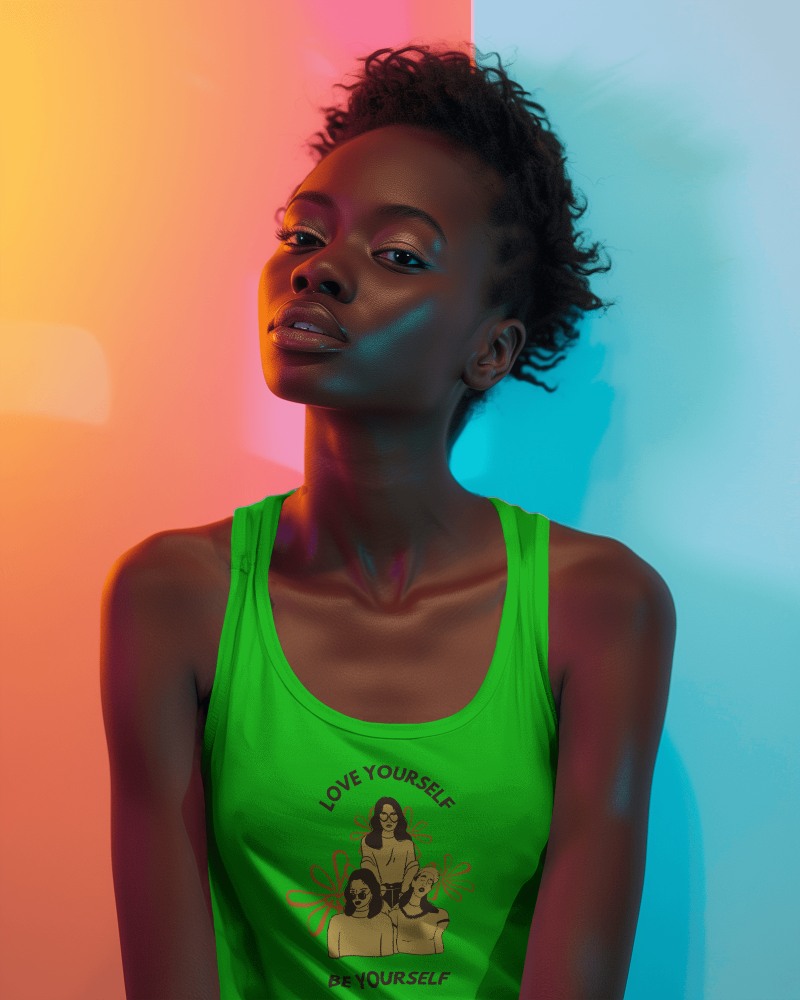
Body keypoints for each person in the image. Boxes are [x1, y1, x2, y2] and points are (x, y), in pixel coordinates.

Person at [101, 43, 675, 1000]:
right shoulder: (173, 599)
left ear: (491, 351)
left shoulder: (601, 608)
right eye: (301, 235)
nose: (319, 271)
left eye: (398, 254)